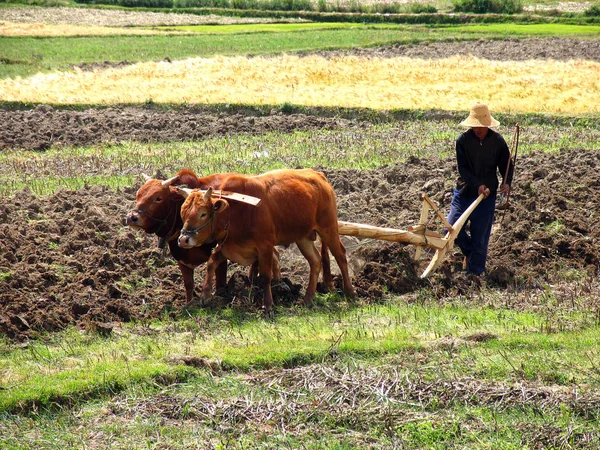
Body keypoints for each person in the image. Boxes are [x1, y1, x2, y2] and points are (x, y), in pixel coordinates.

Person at [447, 102, 514, 277]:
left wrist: (506, 182)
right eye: (474, 126)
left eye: (480, 126)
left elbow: (507, 165)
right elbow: (463, 169)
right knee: (453, 227)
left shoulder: (497, 141)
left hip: (487, 195)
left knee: (480, 235)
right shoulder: (462, 141)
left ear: (487, 125)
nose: (477, 129)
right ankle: (469, 253)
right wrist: (477, 185)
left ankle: (475, 274)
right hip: (465, 191)